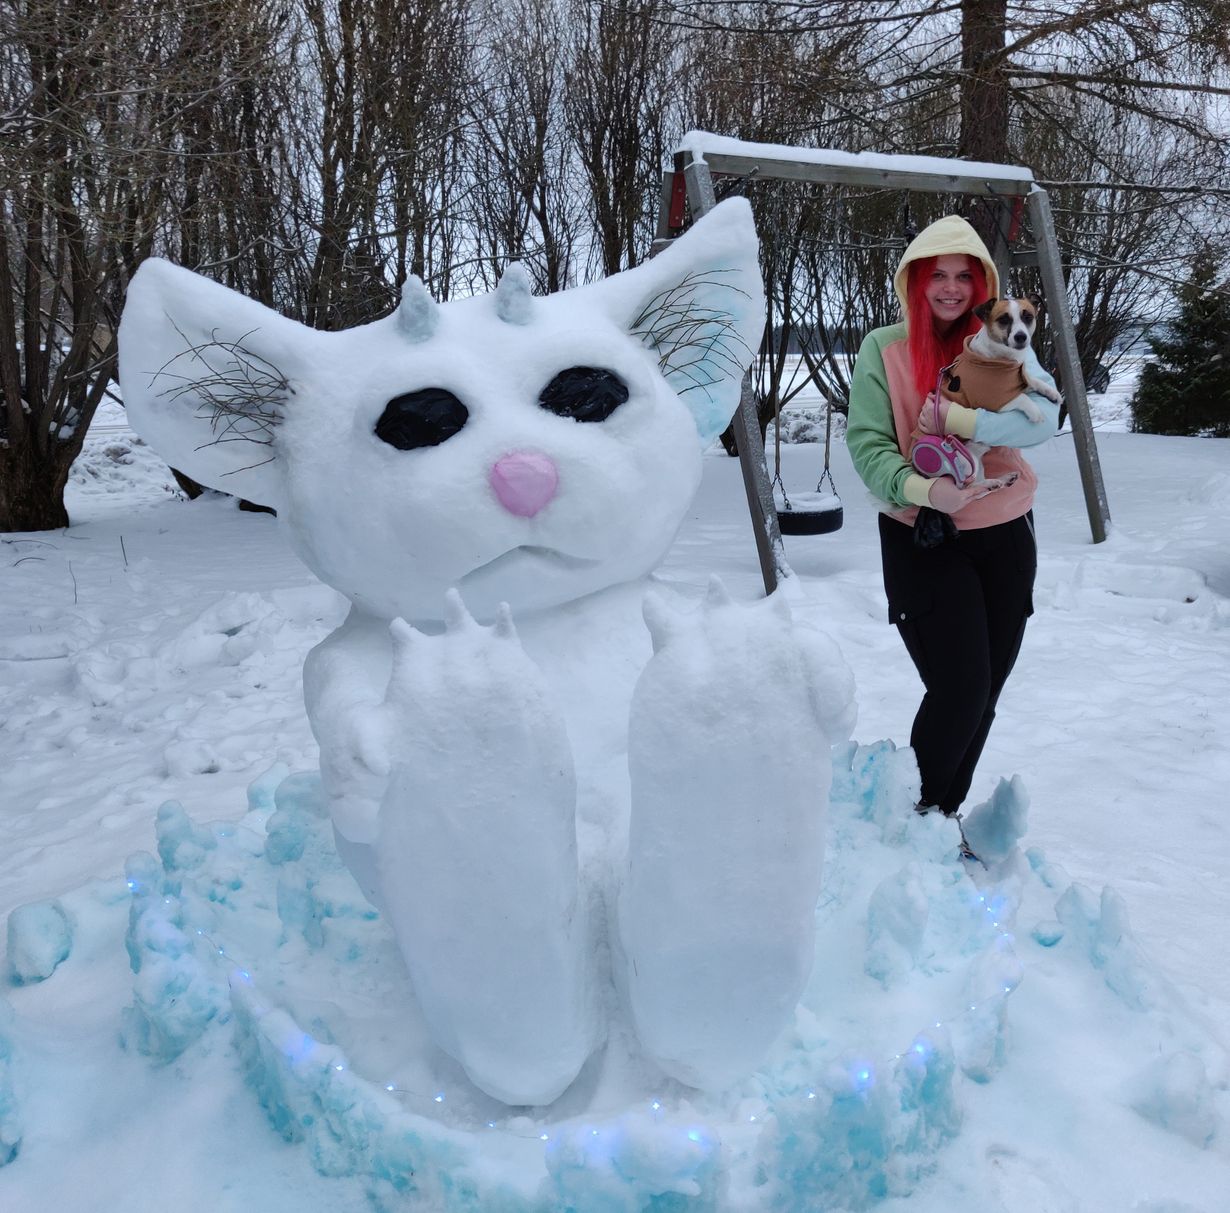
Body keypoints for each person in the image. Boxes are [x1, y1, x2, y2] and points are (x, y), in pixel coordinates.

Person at [846, 214, 1059, 829]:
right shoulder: (883, 348)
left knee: (985, 692)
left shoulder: (1004, 336)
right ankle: (920, 818)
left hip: (1006, 529)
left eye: (964, 276)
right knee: (961, 688)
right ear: (915, 281)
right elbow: (868, 446)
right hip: (924, 534)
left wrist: (967, 424)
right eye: (936, 275)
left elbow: (1044, 421)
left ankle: (942, 822)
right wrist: (929, 490)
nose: (950, 287)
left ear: (982, 283)